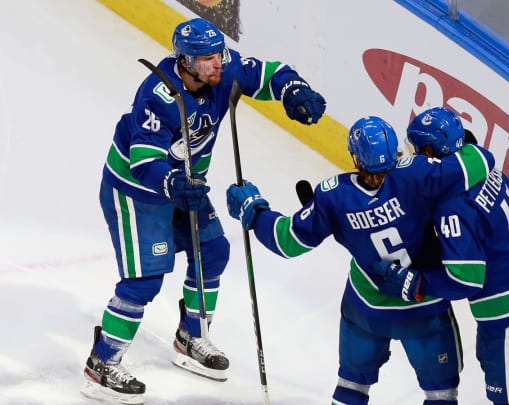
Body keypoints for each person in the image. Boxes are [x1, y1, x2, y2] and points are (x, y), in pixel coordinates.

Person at [81, 17, 326, 404]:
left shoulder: (224, 71)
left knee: (213, 251)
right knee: (143, 282)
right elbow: (144, 160)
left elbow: (270, 74)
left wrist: (294, 91)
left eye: (219, 55)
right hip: (137, 191)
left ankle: (192, 336)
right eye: (207, 58)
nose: (218, 63)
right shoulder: (157, 94)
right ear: (185, 61)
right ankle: (102, 363)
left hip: (186, 186)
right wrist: (171, 184)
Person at [225, 116, 496, 405]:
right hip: (423, 309)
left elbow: (287, 241)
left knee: (351, 387)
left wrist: (253, 212)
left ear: (355, 157)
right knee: (441, 394)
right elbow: (479, 163)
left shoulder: (333, 195)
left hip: (365, 310)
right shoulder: (417, 174)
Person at [372, 107, 509, 405]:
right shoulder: (481, 166)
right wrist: (496, 234)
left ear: (429, 150)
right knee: (493, 366)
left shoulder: (451, 207)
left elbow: (465, 280)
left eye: (419, 149)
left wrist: (415, 284)